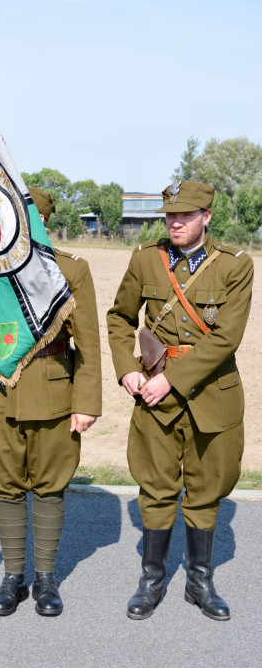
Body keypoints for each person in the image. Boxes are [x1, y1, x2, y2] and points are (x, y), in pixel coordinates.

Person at [0, 186, 102, 617]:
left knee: (50, 484)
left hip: (54, 393)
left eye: (32, 220)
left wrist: (85, 403)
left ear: (41, 223)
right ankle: (13, 576)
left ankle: (45, 578)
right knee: (6, 482)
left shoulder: (71, 270)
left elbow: (88, 344)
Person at [107, 179, 253, 621]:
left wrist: (172, 380)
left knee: (206, 490)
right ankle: (151, 581)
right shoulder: (145, 259)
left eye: (185, 216)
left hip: (212, 394)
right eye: (170, 216)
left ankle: (199, 582)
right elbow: (118, 318)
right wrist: (127, 368)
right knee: (155, 487)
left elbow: (226, 337)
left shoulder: (235, 266)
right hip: (154, 395)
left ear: (206, 217)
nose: (175, 223)